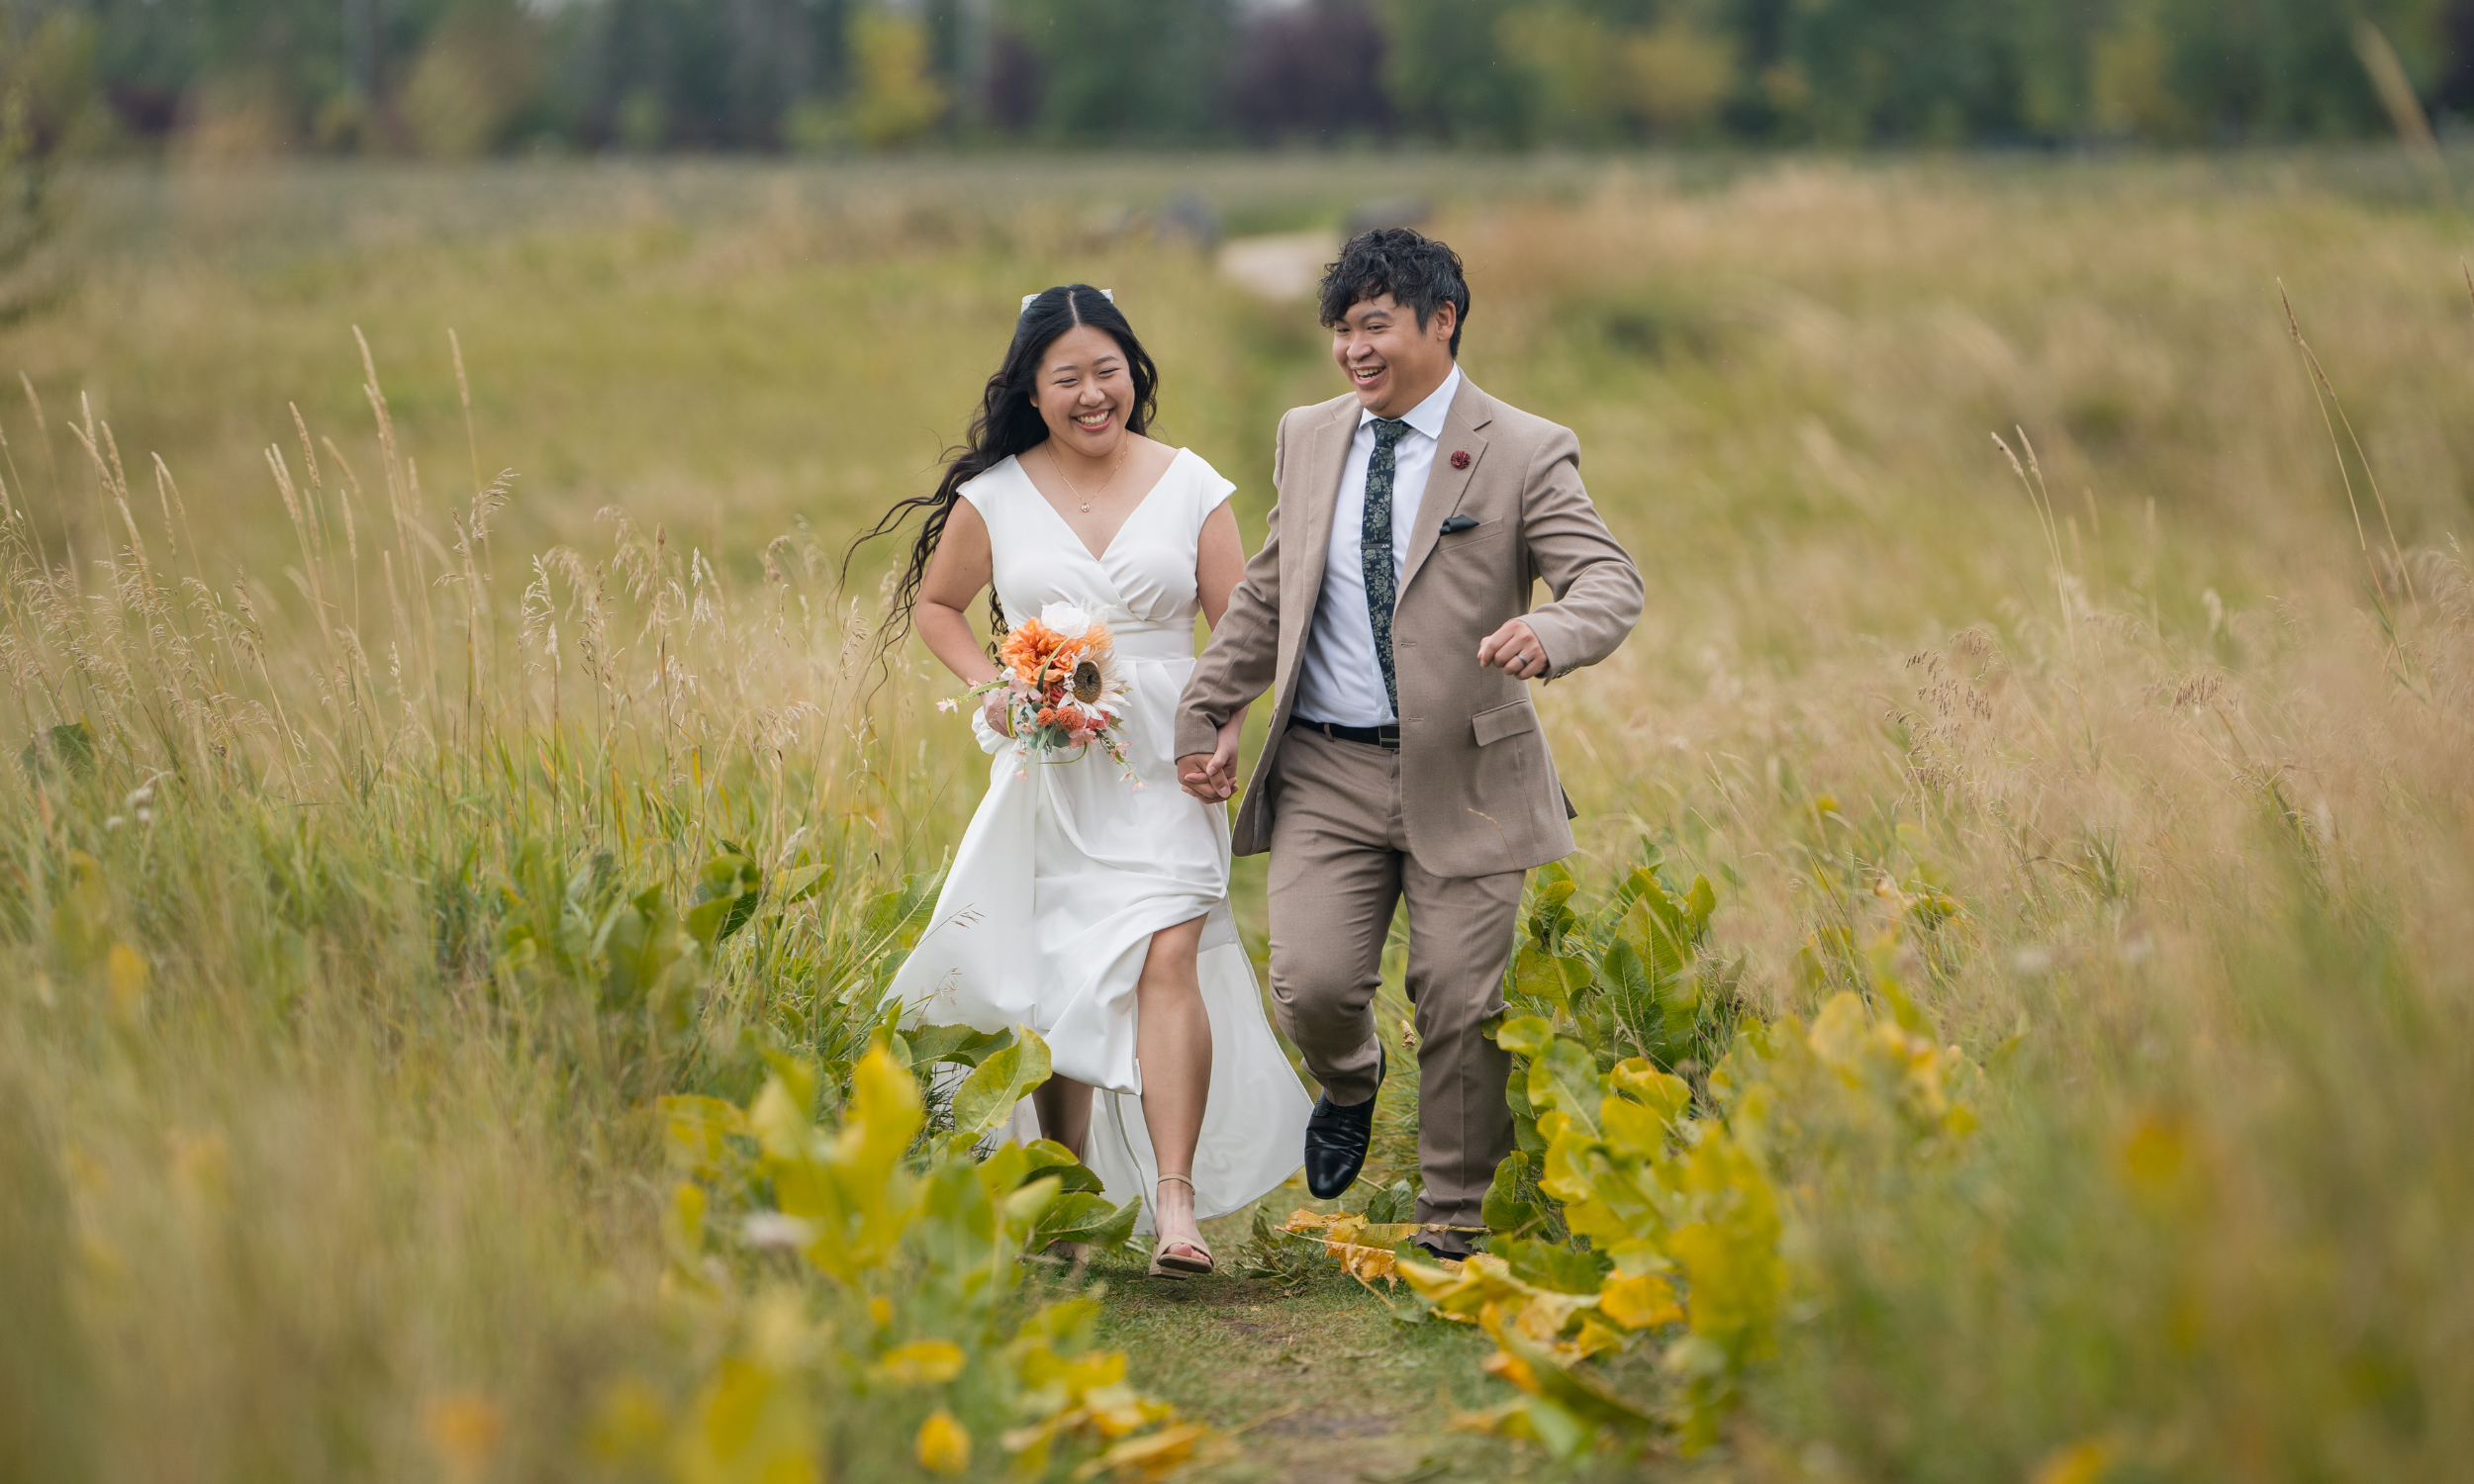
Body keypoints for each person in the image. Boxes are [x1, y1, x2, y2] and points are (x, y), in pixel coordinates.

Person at [1174, 230, 1643, 1259]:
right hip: (1328, 767)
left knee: (1460, 1000)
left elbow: (1607, 584)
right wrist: (1206, 710)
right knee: (1314, 986)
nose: (1353, 350)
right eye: (1340, 330)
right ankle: (1350, 1084)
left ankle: (1455, 1220)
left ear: (1442, 321)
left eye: (1374, 325)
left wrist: (1550, 633)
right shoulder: (1307, 434)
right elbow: (1268, 589)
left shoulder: (1523, 447)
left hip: (1469, 770)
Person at [865, 284, 1311, 1278]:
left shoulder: (1191, 482)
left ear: (1132, 375)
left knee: (1166, 960)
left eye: (1107, 371)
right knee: (1059, 978)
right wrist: (993, 689)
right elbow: (941, 606)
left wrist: (1228, 730)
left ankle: (1175, 1205)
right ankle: (1062, 1198)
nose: (1091, 393)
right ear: (1032, 389)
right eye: (1067, 377)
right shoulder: (997, 496)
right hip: (1055, 766)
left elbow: (1243, 630)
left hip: (1170, 760)